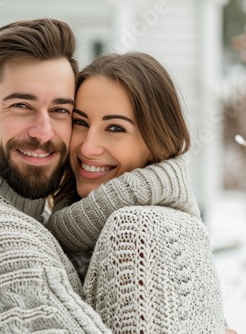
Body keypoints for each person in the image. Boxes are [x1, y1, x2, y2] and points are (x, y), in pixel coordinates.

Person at [0, 18, 233, 333]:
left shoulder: (137, 233)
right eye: (22, 105)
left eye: (61, 111)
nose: (43, 131)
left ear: (156, 142)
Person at [47, 52, 228, 333]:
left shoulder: (140, 231)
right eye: (80, 122)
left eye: (115, 128)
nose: (87, 148)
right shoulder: (65, 225)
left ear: (156, 142)